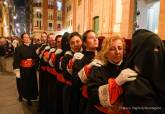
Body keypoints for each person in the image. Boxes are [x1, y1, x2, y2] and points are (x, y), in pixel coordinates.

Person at [85, 35, 137, 114]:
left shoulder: (129, 65)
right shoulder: (98, 67)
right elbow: (93, 94)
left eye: (120, 48)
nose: (117, 52)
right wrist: (115, 83)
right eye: (112, 49)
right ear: (105, 52)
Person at [123, 29, 165, 114]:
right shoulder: (134, 87)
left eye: (160, 48)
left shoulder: (156, 74)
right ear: (141, 55)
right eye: (155, 50)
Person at [13, 33, 38, 105]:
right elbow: (16, 59)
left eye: (28, 37)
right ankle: (21, 95)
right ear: (22, 39)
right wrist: (17, 70)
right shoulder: (19, 48)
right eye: (25, 37)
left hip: (31, 69)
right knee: (22, 84)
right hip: (23, 69)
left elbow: (36, 57)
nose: (27, 38)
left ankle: (29, 98)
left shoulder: (33, 47)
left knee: (30, 84)